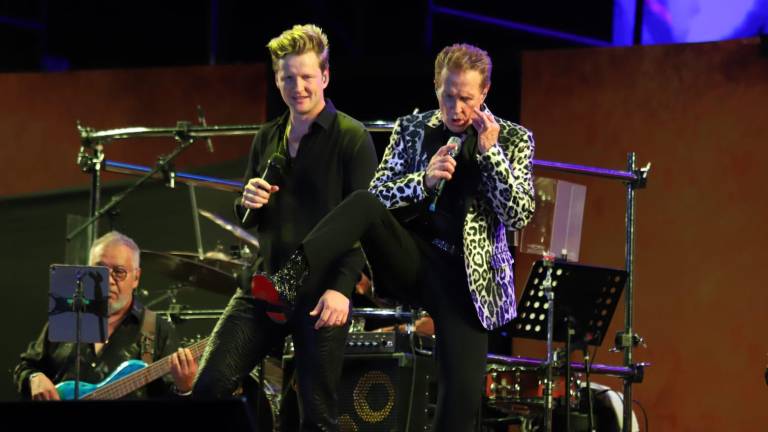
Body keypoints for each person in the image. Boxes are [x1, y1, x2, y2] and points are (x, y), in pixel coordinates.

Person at [256, 43, 535, 431]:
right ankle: (289, 277)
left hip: (468, 284)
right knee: (360, 203)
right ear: (436, 85)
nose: (455, 108)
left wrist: (491, 156)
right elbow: (379, 193)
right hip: (416, 259)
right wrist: (423, 180)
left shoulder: (514, 140)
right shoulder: (413, 128)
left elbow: (519, 212)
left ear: (484, 93)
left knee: (460, 407)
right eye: (447, 95)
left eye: (466, 99)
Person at [192, 24, 378, 431]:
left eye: (307, 77)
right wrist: (248, 202)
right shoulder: (268, 137)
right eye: (287, 78)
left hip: (321, 295)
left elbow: (367, 221)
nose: (298, 87)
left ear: (324, 76)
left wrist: (341, 288)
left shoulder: (351, 137)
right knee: (209, 387)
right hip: (266, 285)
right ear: (277, 80)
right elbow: (250, 218)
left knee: (316, 417)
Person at [13, 231, 198, 400]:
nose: (108, 280)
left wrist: (184, 389)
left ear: (136, 278)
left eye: (118, 272)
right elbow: (26, 366)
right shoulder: (67, 316)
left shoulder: (156, 329)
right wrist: (34, 378)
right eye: (99, 270)